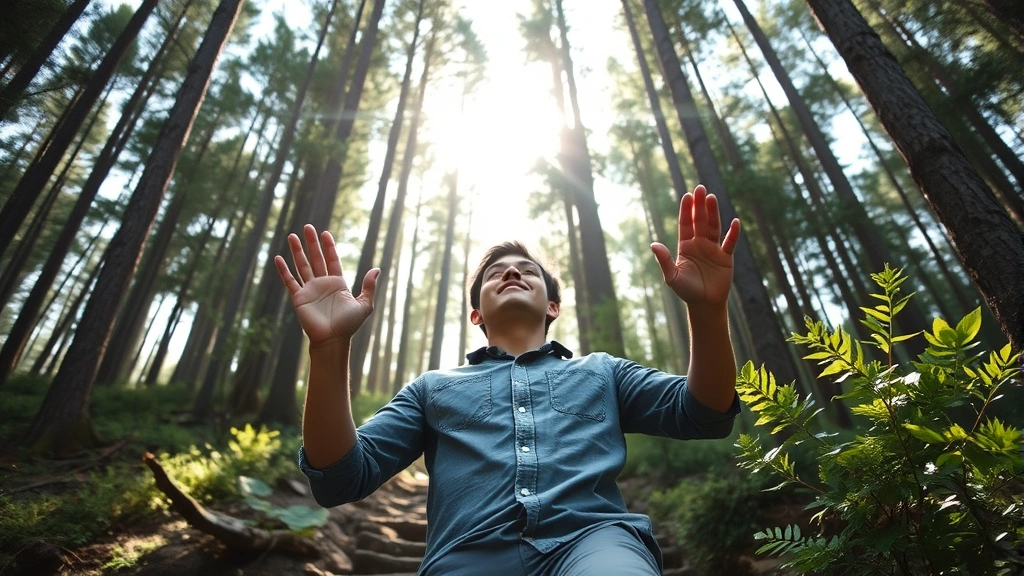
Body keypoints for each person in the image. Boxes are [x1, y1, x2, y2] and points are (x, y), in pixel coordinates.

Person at [274, 184, 743, 575]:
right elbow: (340, 477)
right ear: (476, 312)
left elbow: (704, 412)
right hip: (465, 555)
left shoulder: (604, 371)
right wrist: (329, 349)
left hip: (594, 545)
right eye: (495, 273)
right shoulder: (431, 388)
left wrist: (707, 310)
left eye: (528, 271)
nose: (513, 271)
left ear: (552, 307)